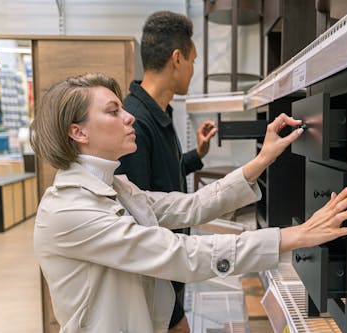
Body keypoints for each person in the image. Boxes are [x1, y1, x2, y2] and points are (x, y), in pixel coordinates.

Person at [30, 72, 347, 333]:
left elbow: (190, 206)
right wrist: (294, 236)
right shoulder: (69, 211)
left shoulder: (116, 186)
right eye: (113, 111)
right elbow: (180, 253)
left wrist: (261, 160)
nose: (128, 118)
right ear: (79, 133)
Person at [115, 12, 216, 331]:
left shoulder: (158, 113)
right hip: (156, 280)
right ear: (177, 58)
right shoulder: (136, 122)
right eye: (193, 60)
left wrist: (195, 155)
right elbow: (139, 216)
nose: (193, 70)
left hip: (170, 271)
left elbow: (161, 181)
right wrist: (173, 312)